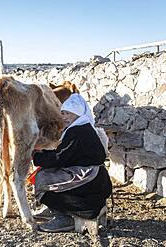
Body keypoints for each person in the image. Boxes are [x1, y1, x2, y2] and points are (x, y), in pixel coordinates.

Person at [31, 93, 112, 233]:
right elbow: (66, 154)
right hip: (97, 182)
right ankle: (54, 209)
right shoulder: (84, 128)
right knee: (45, 173)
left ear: (78, 114)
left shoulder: (78, 131)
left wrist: (35, 156)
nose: (64, 117)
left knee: (43, 177)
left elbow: (60, 158)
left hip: (89, 183)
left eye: (69, 113)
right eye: (63, 113)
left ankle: (64, 217)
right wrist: (43, 154)